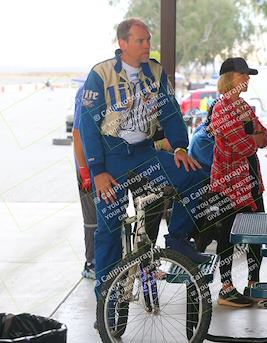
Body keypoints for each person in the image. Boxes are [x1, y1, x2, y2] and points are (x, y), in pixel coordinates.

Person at [80, 18, 211, 299]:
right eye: (141, 41)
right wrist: (96, 170)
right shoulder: (101, 74)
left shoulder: (155, 71)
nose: (147, 46)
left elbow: (170, 111)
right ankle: (107, 304)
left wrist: (179, 147)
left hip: (145, 155)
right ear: (123, 43)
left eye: (149, 40)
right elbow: (88, 125)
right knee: (109, 231)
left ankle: (176, 240)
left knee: (194, 177)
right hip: (111, 158)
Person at [209, 57, 267, 307]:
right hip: (229, 183)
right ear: (229, 78)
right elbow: (244, 145)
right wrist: (253, 136)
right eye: (243, 74)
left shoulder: (244, 106)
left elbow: (263, 138)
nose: (247, 78)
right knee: (227, 234)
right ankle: (226, 288)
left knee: (256, 231)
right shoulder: (221, 109)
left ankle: (253, 284)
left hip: (250, 178)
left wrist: (253, 136)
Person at [73, 85, 97, 279]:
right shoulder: (87, 92)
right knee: (91, 219)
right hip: (87, 166)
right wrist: (84, 170)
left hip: (103, 164)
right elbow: (77, 133)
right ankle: (91, 263)